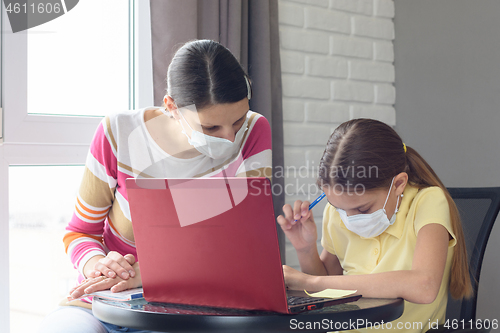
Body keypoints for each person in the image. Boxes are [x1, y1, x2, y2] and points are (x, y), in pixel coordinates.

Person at [38, 39, 272, 333]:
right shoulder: (118, 133)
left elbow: (244, 247)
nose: (229, 138)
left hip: (191, 308)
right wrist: (99, 264)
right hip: (103, 302)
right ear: (171, 106)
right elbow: (80, 232)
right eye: (211, 127)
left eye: (237, 122)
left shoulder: (254, 131)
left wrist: (150, 275)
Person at [277, 119, 472, 333]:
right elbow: (329, 280)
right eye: (339, 207)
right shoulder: (337, 212)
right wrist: (305, 249)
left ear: (398, 184)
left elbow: (424, 286)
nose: (348, 218)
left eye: (362, 209)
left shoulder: (428, 201)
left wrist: (311, 283)